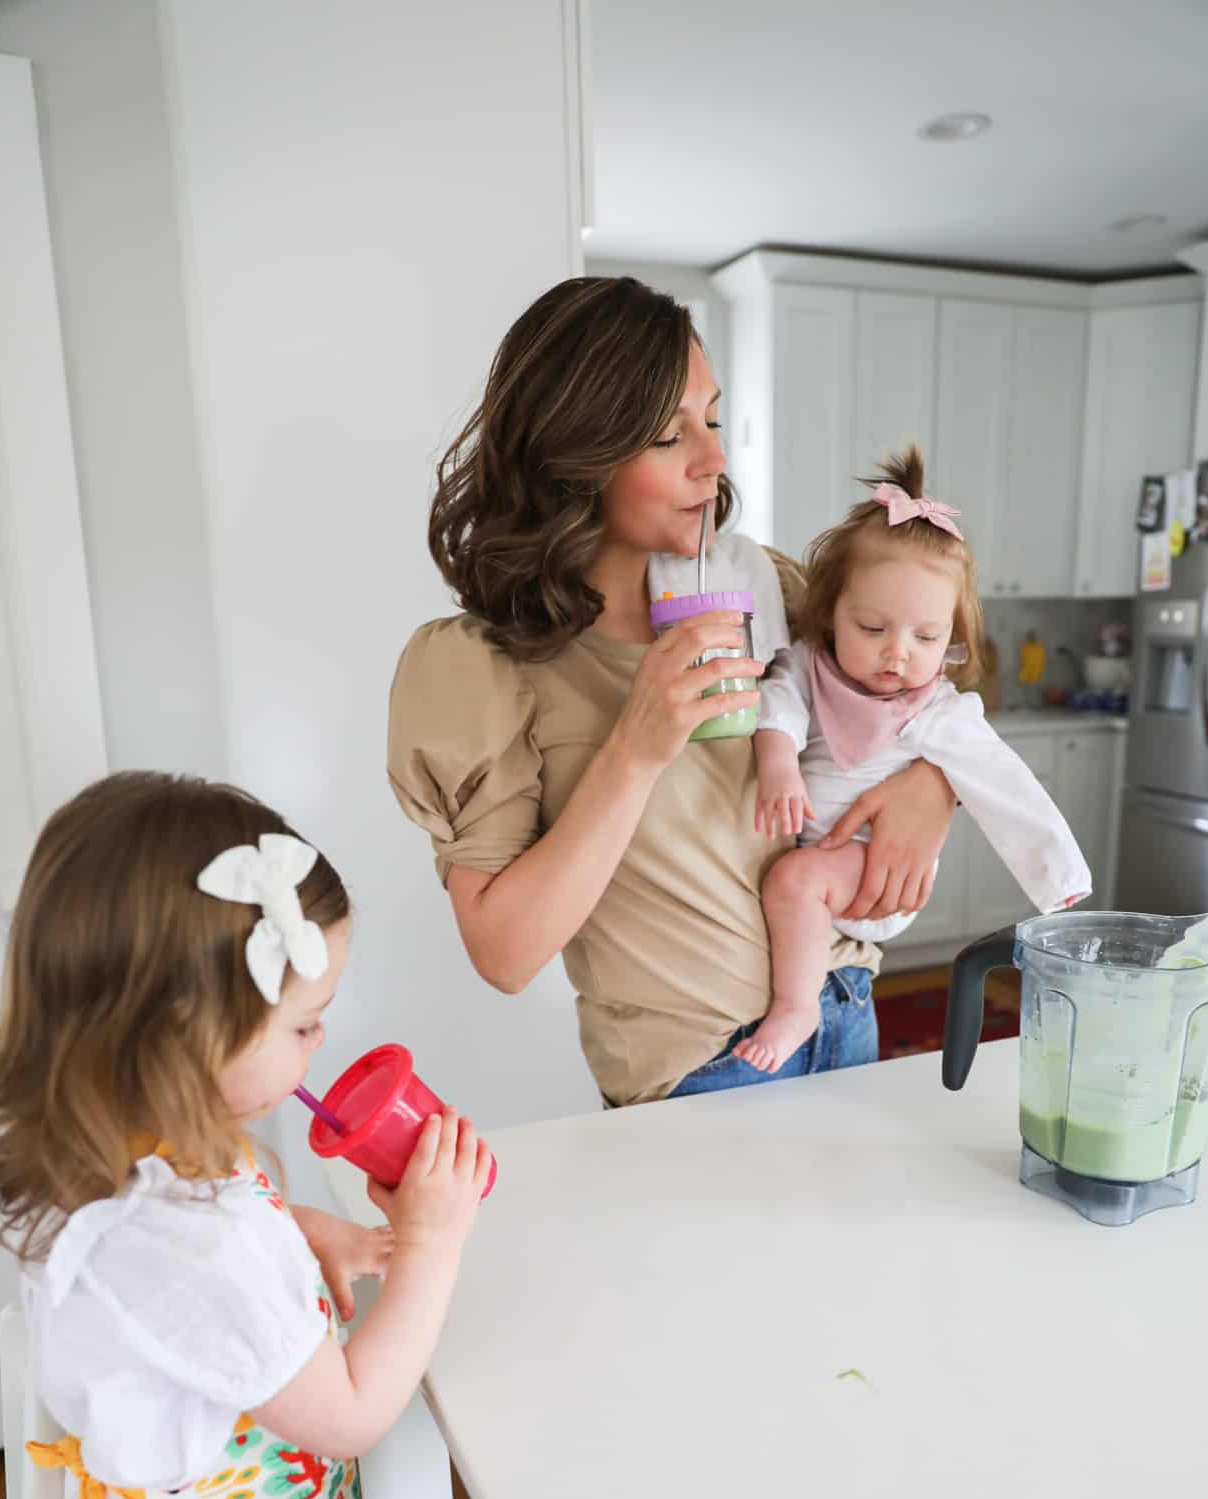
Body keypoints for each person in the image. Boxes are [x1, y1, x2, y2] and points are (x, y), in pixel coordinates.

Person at [0, 771, 491, 1499]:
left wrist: (315, 1234)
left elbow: (230, 1232)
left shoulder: (126, 1154)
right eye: (303, 1026)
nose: (321, 1046)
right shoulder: (187, 1248)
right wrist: (431, 1247)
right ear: (186, 1035)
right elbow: (355, 1407)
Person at [389, 276, 959, 1105]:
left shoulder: (771, 586)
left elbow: (928, 685)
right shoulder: (484, 666)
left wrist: (934, 787)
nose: (715, 459)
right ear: (575, 456)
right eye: (669, 436)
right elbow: (504, 954)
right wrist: (635, 746)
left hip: (847, 1012)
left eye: (714, 419)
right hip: (701, 1073)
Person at [732, 446, 1092, 1072]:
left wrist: (1057, 879)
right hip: (830, 859)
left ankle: (797, 1007)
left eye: (926, 638)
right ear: (830, 615)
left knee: (793, 881)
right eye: (873, 628)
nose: (897, 655)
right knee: (798, 878)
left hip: (881, 874)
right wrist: (779, 762)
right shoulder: (806, 667)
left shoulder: (940, 712)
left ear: (950, 638)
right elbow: (777, 708)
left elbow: (1007, 789)